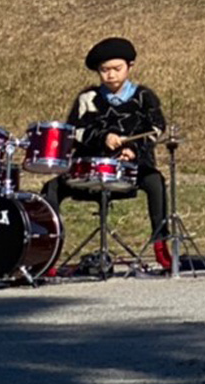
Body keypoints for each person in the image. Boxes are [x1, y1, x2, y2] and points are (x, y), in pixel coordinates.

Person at [41, 37, 169, 256]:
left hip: (131, 168)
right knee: (50, 189)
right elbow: (74, 132)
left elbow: (156, 128)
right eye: (104, 70)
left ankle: (161, 245)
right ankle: (48, 251)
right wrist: (102, 138)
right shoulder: (88, 98)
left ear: (130, 66)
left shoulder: (144, 97)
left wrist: (134, 150)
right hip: (90, 169)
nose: (111, 75)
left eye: (117, 69)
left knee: (156, 182)